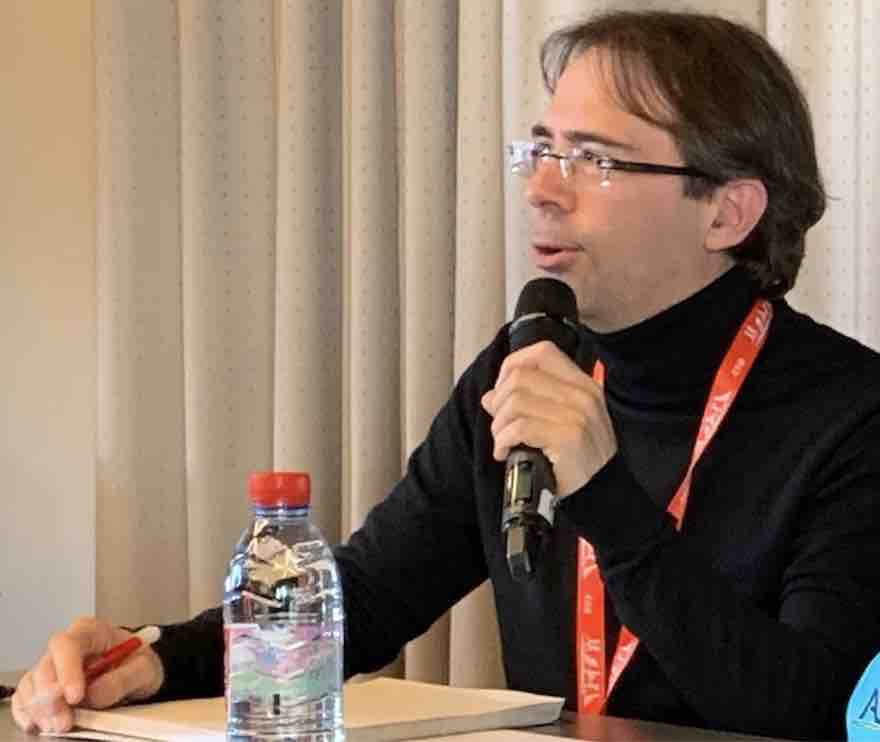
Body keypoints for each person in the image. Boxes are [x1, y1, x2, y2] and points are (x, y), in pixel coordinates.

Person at [13, 9, 880, 739]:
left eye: (595, 160)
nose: (542, 189)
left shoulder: (853, 415)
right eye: (541, 150)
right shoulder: (527, 362)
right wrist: (156, 657)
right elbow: (369, 599)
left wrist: (605, 499)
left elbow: (816, 710)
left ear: (727, 212)